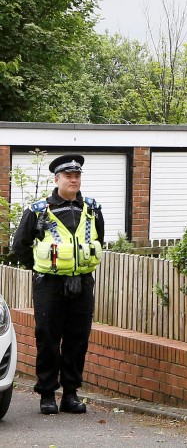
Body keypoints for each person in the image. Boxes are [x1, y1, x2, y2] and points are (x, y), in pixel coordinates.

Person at [12, 154, 104, 415]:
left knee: (78, 339)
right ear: (57, 179)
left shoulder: (92, 208)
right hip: (49, 285)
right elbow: (20, 246)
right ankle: (47, 394)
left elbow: (98, 239)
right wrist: (43, 268)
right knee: (49, 339)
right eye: (68, 176)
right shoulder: (38, 210)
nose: (73, 180)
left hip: (83, 283)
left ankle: (71, 395)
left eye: (77, 176)